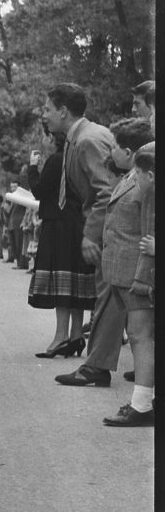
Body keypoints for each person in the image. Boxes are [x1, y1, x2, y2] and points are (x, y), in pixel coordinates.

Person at [55, 116, 153, 387]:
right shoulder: (129, 177)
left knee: (138, 331)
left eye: (115, 147)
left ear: (129, 153)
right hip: (119, 261)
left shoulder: (143, 183)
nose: (110, 152)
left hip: (131, 264)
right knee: (125, 323)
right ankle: (97, 364)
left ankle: (101, 368)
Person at [40, 83, 127, 387]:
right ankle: (97, 364)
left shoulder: (88, 140)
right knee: (107, 296)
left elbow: (106, 193)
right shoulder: (82, 137)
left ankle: (97, 366)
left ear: (63, 111)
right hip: (105, 225)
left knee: (107, 296)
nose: (44, 115)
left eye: (47, 109)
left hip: (108, 228)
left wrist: (91, 235)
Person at [27, 130, 95, 357]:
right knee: (75, 278)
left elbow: (39, 190)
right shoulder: (78, 157)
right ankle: (76, 335)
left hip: (58, 225)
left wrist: (32, 168)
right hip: (78, 222)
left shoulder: (57, 160)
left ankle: (61, 336)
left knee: (61, 277)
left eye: (46, 136)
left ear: (53, 140)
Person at [104, 142, 155, 426]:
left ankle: (142, 405)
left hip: (141, 273)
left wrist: (141, 277)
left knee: (140, 335)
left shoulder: (150, 191)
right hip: (133, 271)